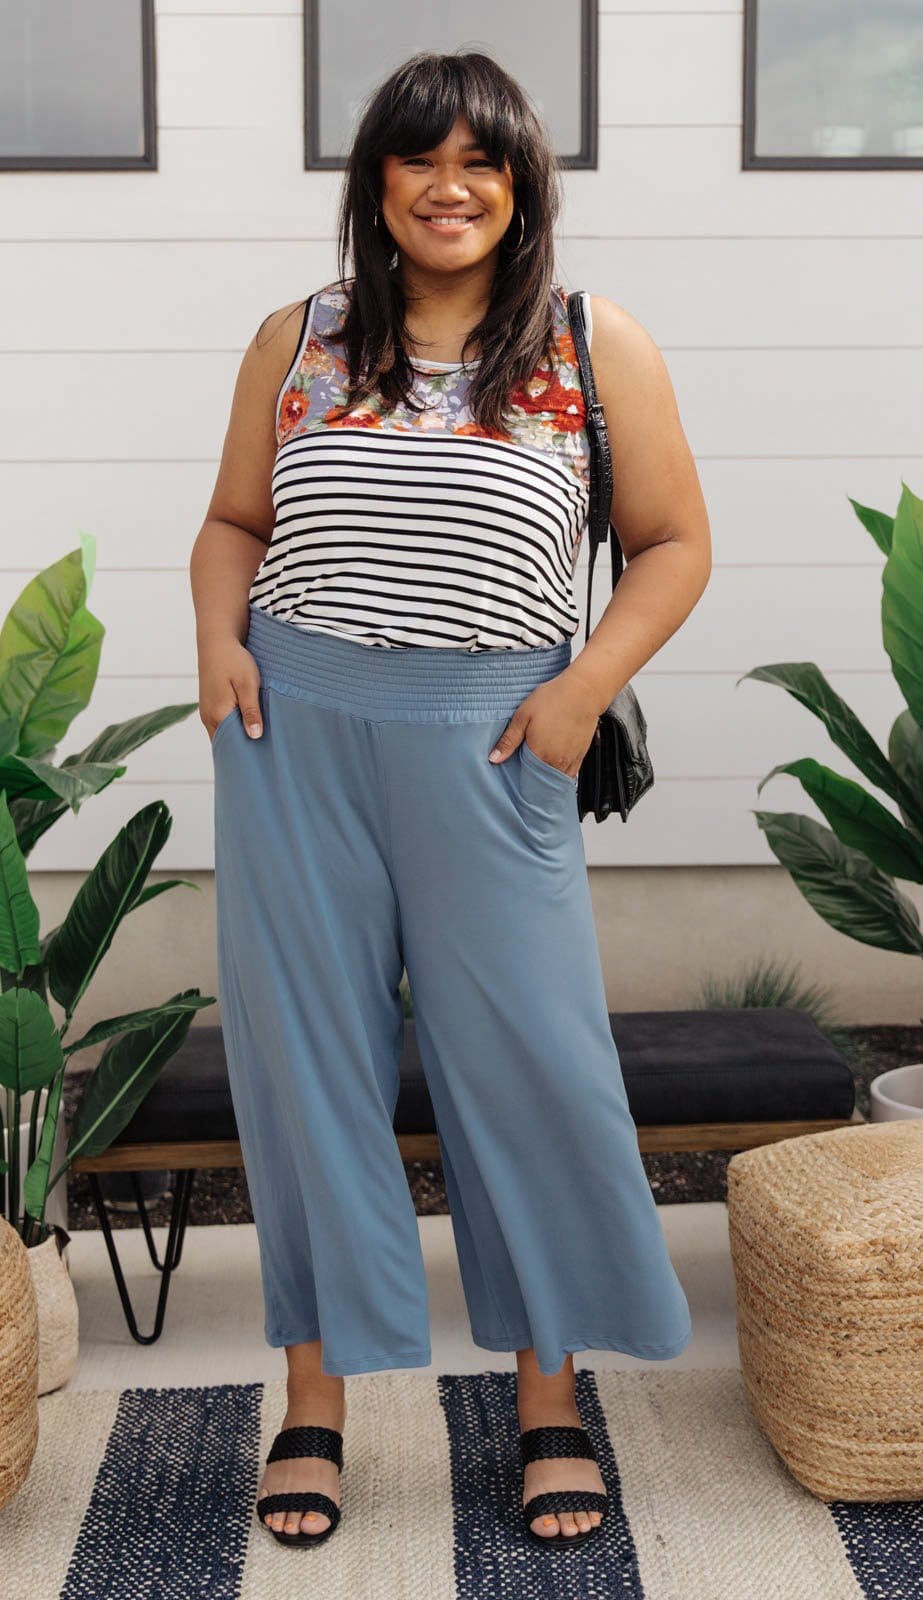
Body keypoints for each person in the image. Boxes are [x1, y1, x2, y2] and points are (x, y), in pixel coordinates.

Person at [190, 49, 711, 1552]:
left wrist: (581, 692)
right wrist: (219, 645)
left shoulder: (593, 342)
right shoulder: (299, 337)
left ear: (522, 185)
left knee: (531, 1064)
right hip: (294, 736)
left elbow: (674, 543)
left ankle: (550, 1401)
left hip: (498, 743)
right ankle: (315, 1399)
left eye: (482, 160)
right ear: (376, 185)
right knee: (307, 1066)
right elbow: (233, 521)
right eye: (419, 158)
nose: (450, 186)